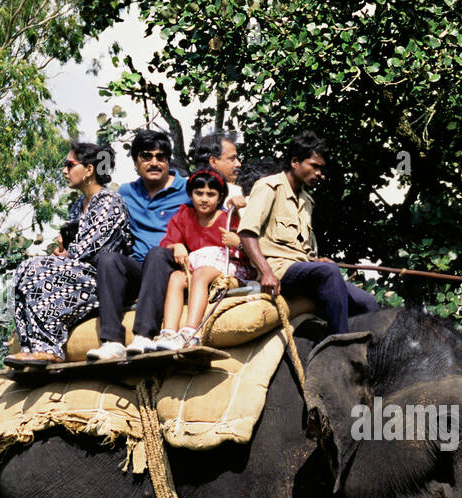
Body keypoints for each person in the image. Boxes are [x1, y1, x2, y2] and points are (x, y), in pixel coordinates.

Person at [237, 131, 378, 335]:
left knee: (368, 302)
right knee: (329, 273)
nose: (319, 173)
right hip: (278, 270)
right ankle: (339, 342)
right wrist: (266, 272)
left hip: (301, 268)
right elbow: (247, 233)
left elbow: (300, 249)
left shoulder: (307, 200)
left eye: (321, 168)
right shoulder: (269, 187)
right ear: (295, 162)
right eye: (314, 166)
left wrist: (316, 260)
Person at [6, 141, 133, 365]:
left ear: (90, 169)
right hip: (79, 274)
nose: (64, 171)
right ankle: (32, 346)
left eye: (70, 164)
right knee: (25, 268)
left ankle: (50, 348)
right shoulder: (77, 207)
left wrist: (64, 253)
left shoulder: (109, 202)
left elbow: (85, 250)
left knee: (37, 268)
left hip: (104, 280)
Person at [89, 130, 193, 362]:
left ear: (168, 160)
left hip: (173, 264)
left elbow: (216, 215)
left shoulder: (187, 188)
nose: (154, 163)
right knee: (107, 258)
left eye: (161, 157)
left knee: (158, 253)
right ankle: (113, 341)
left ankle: (145, 334)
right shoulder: (126, 192)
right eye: (146, 157)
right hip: (140, 270)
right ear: (136, 163)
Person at [153, 169, 250, 350]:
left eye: (211, 194)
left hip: (226, 263)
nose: (204, 199)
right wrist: (176, 245)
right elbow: (167, 242)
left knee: (200, 274)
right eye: (199, 193)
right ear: (190, 194)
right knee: (175, 277)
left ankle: (190, 331)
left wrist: (236, 242)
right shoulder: (184, 215)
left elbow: (246, 249)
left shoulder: (227, 218)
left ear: (220, 197)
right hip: (198, 263)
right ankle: (168, 332)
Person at [191, 131, 245, 208]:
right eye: (232, 159)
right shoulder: (233, 192)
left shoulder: (185, 188)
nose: (238, 164)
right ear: (213, 162)